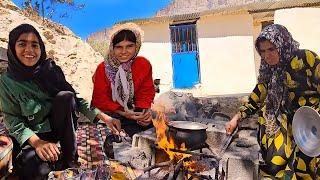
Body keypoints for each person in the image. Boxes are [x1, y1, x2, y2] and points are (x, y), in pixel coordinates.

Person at [0, 23, 121, 180]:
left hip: (54, 128)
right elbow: (12, 120)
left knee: (66, 96)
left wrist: (105, 117)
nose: (29, 50)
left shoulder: (50, 70)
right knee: (37, 171)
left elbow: (75, 99)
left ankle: (70, 158)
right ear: (12, 48)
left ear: (41, 48)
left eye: (34, 45)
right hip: (31, 135)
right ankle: (51, 160)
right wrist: (38, 143)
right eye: (22, 44)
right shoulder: (6, 81)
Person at [225, 24, 320, 179]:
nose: (266, 56)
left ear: (282, 44)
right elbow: (257, 97)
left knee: (306, 172)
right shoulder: (268, 70)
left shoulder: (305, 60)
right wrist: (236, 118)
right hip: (279, 131)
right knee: (274, 170)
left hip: (310, 130)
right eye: (262, 51)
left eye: (271, 49)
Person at [91, 23, 155, 137]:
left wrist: (145, 112)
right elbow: (99, 100)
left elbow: (146, 92)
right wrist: (123, 112)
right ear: (112, 47)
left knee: (155, 130)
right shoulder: (103, 69)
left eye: (129, 46)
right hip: (111, 112)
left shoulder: (143, 64)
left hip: (133, 111)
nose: (124, 51)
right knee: (115, 136)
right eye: (119, 47)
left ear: (137, 46)